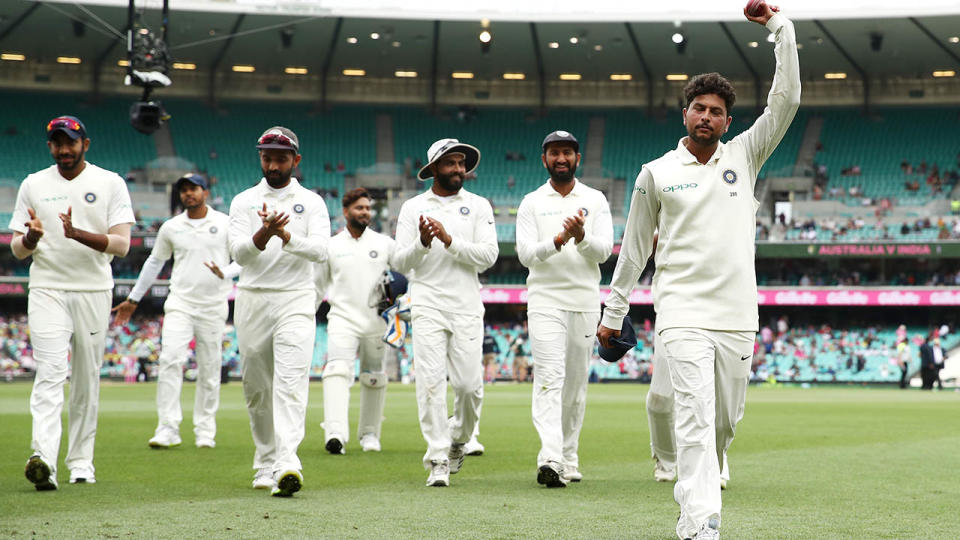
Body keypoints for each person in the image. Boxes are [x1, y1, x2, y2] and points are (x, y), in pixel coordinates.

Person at [597, 3, 800, 538]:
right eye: (698, 108)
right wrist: (613, 312)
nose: (706, 116)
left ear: (728, 121)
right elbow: (634, 249)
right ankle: (699, 521)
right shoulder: (655, 174)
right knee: (693, 416)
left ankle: (706, 477)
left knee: (723, 423)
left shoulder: (745, 157)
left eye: (716, 110)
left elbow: (788, 101)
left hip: (736, 314)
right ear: (684, 114)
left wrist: (781, 28)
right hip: (681, 312)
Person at [11, 115, 135, 490]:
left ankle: (81, 462)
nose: (64, 149)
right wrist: (31, 239)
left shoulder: (109, 182)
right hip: (47, 287)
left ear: (86, 144)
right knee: (49, 374)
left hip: (93, 290)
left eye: (71, 142)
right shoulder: (33, 184)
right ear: (50, 146)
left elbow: (122, 244)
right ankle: (43, 459)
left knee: (85, 380)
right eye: (57, 143)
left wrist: (76, 233)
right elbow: (18, 250)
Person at [228, 126, 330, 497]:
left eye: (281, 157)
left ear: (295, 160)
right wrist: (264, 233)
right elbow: (239, 254)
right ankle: (265, 461)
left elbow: (321, 251)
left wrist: (285, 236)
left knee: (290, 383)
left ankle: (288, 462)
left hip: (296, 298)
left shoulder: (312, 202)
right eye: (267, 156)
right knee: (257, 387)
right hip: (253, 297)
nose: (273, 164)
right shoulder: (243, 201)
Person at [392, 138, 498, 487]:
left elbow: (488, 256)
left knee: (469, 387)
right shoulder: (413, 207)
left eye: (461, 163)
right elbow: (399, 262)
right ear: (434, 168)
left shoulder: (479, 205)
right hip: (427, 303)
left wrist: (450, 241)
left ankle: (458, 439)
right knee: (431, 384)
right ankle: (437, 457)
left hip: (467, 304)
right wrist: (422, 243)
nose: (458, 169)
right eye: (450, 163)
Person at [111, 173, 239, 449]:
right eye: (184, 190)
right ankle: (167, 427)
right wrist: (133, 298)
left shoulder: (224, 223)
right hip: (180, 302)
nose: (188, 194)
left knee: (209, 367)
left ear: (205, 192)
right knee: (170, 360)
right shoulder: (171, 227)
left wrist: (225, 272)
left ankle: (205, 429)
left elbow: (244, 260)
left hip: (213, 304)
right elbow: (154, 263)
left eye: (194, 189)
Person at [515, 130, 613, 487]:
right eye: (554, 152)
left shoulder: (596, 199)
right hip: (544, 300)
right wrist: (558, 240)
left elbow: (604, 251)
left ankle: (569, 456)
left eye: (567, 153)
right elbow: (525, 255)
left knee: (574, 385)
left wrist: (582, 237)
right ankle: (551, 457)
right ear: (544, 159)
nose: (561, 158)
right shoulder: (531, 202)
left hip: (585, 300)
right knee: (549, 378)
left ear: (577, 158)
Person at [314, 188, 395, 455]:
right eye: (359, 208)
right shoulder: (331, 245)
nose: (365, 212)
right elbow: (317, 286)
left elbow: (405, 273)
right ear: (345, 211)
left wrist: (402, 304)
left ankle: (370, 434)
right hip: (342, 319)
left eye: (368, 208)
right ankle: (335, 433)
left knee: (374, 377)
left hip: (376, 320)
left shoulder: (384, 244)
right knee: (336, 370)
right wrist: (306, 314)